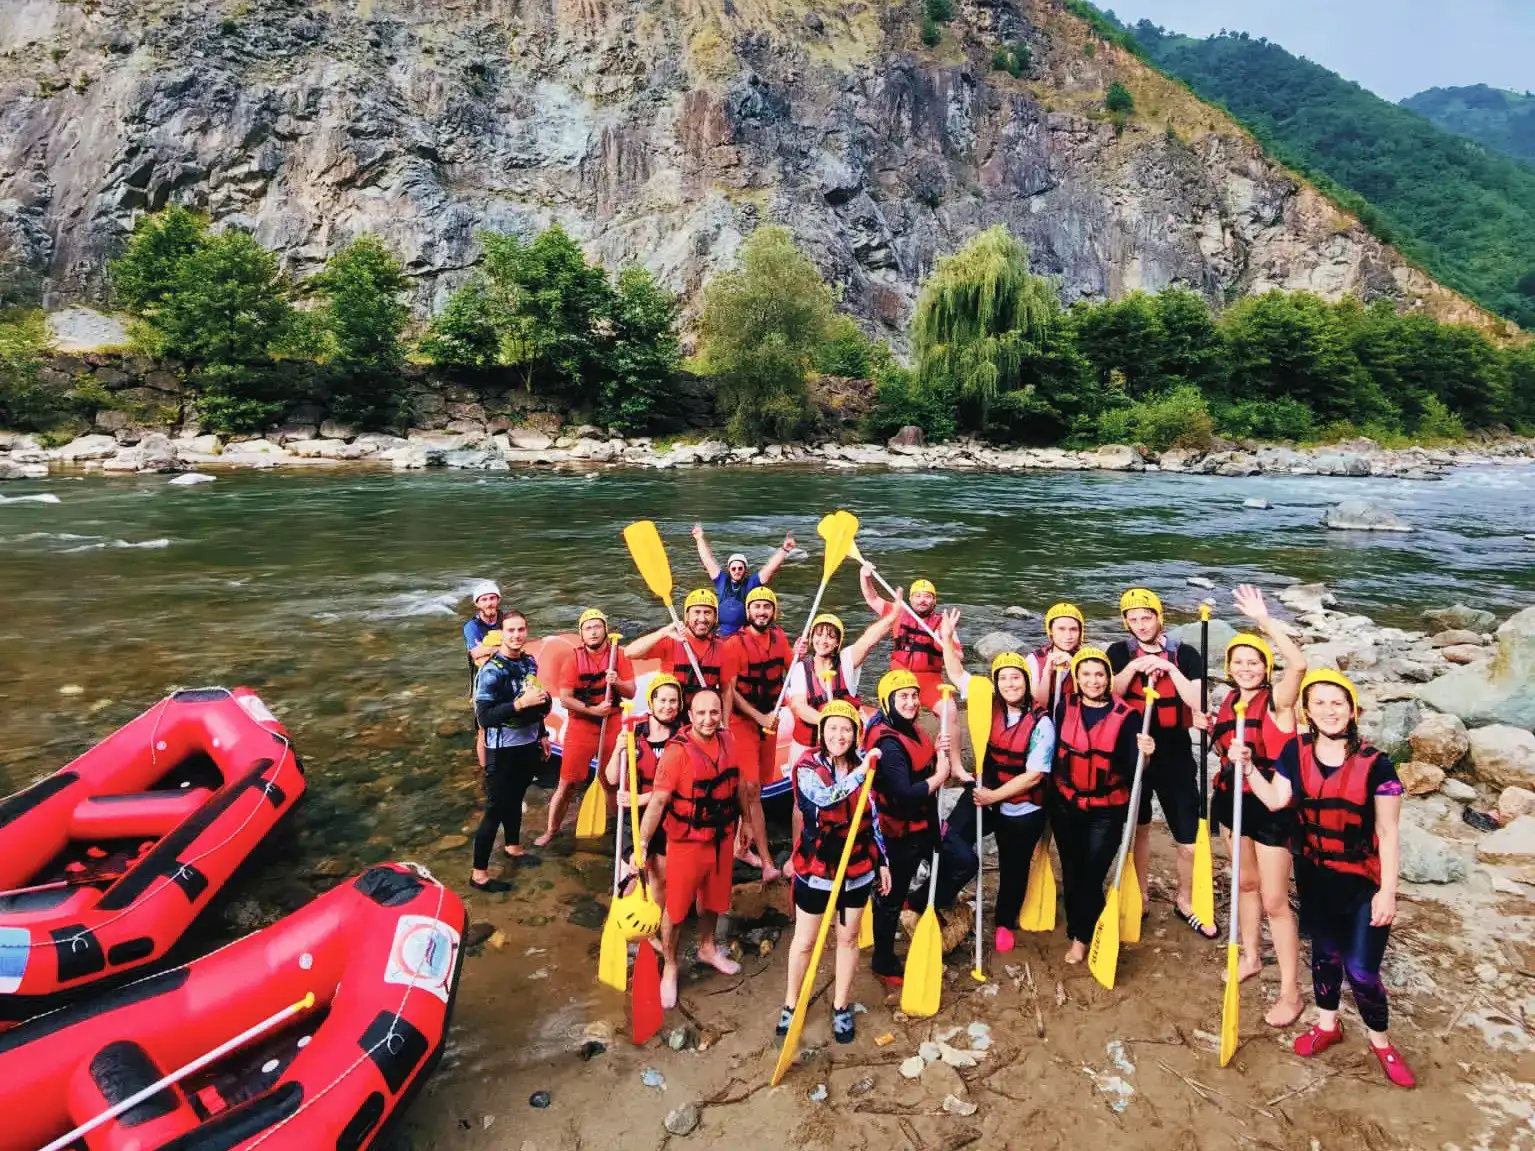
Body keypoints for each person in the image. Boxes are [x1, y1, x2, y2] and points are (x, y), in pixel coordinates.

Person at [1242, 669, 1414, 1088]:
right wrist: (1247, 768)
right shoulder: (1294, 752)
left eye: (1337, 702)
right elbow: (1277, 800)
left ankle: (1381, 1041)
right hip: (1316, 875)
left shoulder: (1377, 763)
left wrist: (1388, 892)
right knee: (1325, 957)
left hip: (1362, 882)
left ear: (1352, 709)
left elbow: (1389, 834)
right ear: (1307, 710)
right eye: (1318, 702)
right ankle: (1327, 1024)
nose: (1329, 710)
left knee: (1362, 971)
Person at [1210, 584, 1307, 1028]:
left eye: (1254, 662)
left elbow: (1301, 664)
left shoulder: (1279, 702)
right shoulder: (1230, 701)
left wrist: (1265, 622)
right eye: (1238, 663)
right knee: (1245, 885)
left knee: (1274, 901)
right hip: (1234, 805)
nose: (1246, 668)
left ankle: (1291, 992)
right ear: (1229, 669)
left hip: (1272, 809)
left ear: (1265, 667)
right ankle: (1250, 955)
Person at [939, 622, 1057, 955]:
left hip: (1021, 807)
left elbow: (1034, 775)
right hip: (984, 793)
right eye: (1003, 678)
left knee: (1014, 868)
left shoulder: (1042, 722)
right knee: (951, 839)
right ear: (996, 683)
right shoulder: (984, 703)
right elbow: (956, 673)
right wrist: (948, 638)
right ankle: (937, 899)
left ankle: (1005, 920)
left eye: (1016, 677)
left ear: (1026, 682)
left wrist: (993, 796)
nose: (1009, 683)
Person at [778, 701, 891, 1045]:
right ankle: (791, 1003)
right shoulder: (806, 766)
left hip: (857, 867)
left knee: (847, 938)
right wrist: (862, 772)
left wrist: (883, 860)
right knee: (805, 941)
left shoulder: (863, 767)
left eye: (846, 729)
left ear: (855, 734)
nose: (839, 736)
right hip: (817, 867)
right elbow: (826, 799)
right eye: (832, 729)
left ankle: (841, 1005)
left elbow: (873, 817)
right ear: (821, 732)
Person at [638, 689, 755, 1008]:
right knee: (675, 910)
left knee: (715, 901)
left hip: (721, 838)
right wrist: (642, 842)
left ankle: (707, 948)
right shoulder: (677, 753)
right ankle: (671, 967)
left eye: (714, 713)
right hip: (686, 844)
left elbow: (740, 784)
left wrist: (746, 822)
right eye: (701, 713)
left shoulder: (730, 740)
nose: (708, 719)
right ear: (689, 717)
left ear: (721, 714)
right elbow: (658, 801)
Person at [1107, 587, 1212, 939]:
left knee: (1188, 840)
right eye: (1133, 619)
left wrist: (1168, 667)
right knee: (1138, 828)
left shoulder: (1186, 655)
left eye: (1146, 616)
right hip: (1134, 750)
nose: (1140, 624)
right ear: (1126, 623)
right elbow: (1110, 693)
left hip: (1175, 753)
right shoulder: (1119, 652)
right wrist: (1135, 666)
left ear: (1159, 616)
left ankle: (1185, 899)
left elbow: (1198, 701)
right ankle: (1139, 893)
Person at [1049, 647, 1156, 964]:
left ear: (1109, 678)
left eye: (1099, 674)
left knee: (1092, 874)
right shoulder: (1063, 706)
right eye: (1086, 675)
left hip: (1105, 809)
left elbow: (1136, 768)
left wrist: (1147, 753)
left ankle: (1082, 937)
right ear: (1077, 680)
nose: (1093, 681)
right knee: (1071, 869)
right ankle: (1079, 927)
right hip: (1066, 803)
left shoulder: (1128, 717)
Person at [864, 668, 969, 986]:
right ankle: (883, 960)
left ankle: (919, 902)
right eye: (902, 697)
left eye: (913, 695)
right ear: (887, 702)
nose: (910, 702)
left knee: (963, 862)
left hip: (925, 825)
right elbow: (904, 794)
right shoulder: (890, 744)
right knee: (889, 898)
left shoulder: (913, 729)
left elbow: (919, 768)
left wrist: (936, 751)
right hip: (897, 833)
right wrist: (941, 773)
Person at [537, 608, 636, 848]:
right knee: (569, 782)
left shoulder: (618, 655)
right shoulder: (573, 659)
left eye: (597, 626)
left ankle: (615, 828)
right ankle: (552, 830)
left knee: (611, 781)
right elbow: (566, 698)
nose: (593, 632)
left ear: (605, 630)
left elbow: (631, 691)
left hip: (611, 723)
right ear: (582, 635)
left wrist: (617, 682)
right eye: (588, 628)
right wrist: (593, 710)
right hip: (582, 725)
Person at [470, 611, 551, 892]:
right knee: (495, 809)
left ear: (526, 631)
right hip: (501, 748)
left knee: (517, 799)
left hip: (527, 744)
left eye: (521, 630)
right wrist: (519, 704)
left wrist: (542, 733)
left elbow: (536, 701)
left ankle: (513, 846)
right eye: (511, 630)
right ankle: (478, 874)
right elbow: (485, 717)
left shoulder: (529, 663)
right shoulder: (491, 670)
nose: (516, 635)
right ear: (501, 634)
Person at [724, 587, 791, 880]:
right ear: (748, 612)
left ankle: (742, 842)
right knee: (750, 788)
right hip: (744, 721)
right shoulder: (735, 644)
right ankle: (766, 861)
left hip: (769, 721)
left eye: (766, 606)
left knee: (757, 787)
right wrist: (758, 716)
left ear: (773, 611)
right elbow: (731, 691)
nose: (761, 612)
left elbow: (791, 674)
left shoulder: (780, 638)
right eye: (756, 607)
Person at [605, 674, 683, 917]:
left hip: (667, 815)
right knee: (630, 873)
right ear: (651, 702)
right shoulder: (633, 733)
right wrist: (618, 750)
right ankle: (626, 919)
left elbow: (681, 786)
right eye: (662, 700)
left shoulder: (683, 736)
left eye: (673, 701)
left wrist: (641, 799)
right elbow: (611, 778)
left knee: (660, 874)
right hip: (633, 818)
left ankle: (654, 924)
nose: (667, 707)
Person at [784, 607, 899, 761]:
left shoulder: (846, 662)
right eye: (818, 635)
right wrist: (831, 721)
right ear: (811, 639)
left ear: (837, 642)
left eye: (830, 637)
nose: (823, 641)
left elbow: (868, 640)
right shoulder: (800, 668)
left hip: (843, 744)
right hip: (809, 746)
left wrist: (893, 616)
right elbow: (800, 707)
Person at [627, 588, 737, 712]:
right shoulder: (672, 640)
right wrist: (662, 632)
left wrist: (725, 725)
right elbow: (630, 653)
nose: (702, 618)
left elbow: (726, 691)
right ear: (687, 616)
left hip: (702, 715)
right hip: (671, 712)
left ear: (715, 617)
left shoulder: (722, 648)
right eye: (696, 612)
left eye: (707, 612)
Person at [859, 566, 954, 710]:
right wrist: (865, 577)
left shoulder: (944, 624)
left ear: (934, 601)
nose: (922, 600)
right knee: (897, 712)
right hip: (900, 677)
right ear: (910, 599)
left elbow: (958, 656)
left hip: (930, 680)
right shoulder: (897, 612)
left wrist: (946, 643)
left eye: (928, 596)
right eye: (918, 596)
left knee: (950, 710)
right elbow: (872, 598)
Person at [692, 522, 795, 637]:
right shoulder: (722, 581)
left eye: (740, 568)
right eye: (734, 568)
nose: (737, 571)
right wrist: (699, 539)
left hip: (744, 635)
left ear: (745, 570)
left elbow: (770, 568)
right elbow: (708, 561)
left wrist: (785, 550)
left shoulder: (752, 583)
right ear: (729, 569)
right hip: (720, 634)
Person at [463, 581, 506, 769]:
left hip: (508, 677)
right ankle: (485, 770)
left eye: (492, 598)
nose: (489, 603)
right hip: (483, 682)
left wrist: (489, 649)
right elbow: (477, 654)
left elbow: (521, 644)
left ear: (498, 600)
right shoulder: (472, 627)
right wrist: (504, 648)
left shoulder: (507, 619)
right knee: (483, 728)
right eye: (484, 600)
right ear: (477, 604)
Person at [1031, 602, 1087, 715]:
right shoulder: (1034, 659)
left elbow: (1093, 700)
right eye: (1061, 629)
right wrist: (1047, 672)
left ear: (1080, 632)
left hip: (1075, 720)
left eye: (1073, 629)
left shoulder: (1088, 659)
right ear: (1051, 631)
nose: (1068, 636)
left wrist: (1075, 667)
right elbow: (1040, 705)